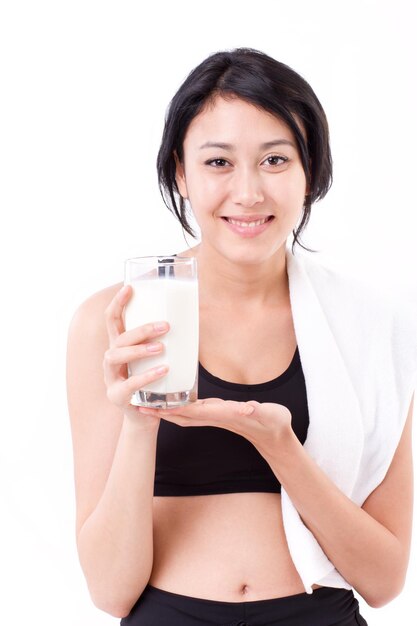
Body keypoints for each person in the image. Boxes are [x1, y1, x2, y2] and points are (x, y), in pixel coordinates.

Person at [66, 48, 416, 626]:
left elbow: (383, 581)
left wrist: (283, 448)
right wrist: (137, 423)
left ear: (311, 172)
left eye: (275, 160)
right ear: (181, 171)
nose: (249, 193)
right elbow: (109, 591)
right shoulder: (114, 321)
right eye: (219, 163)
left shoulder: (372, 327)